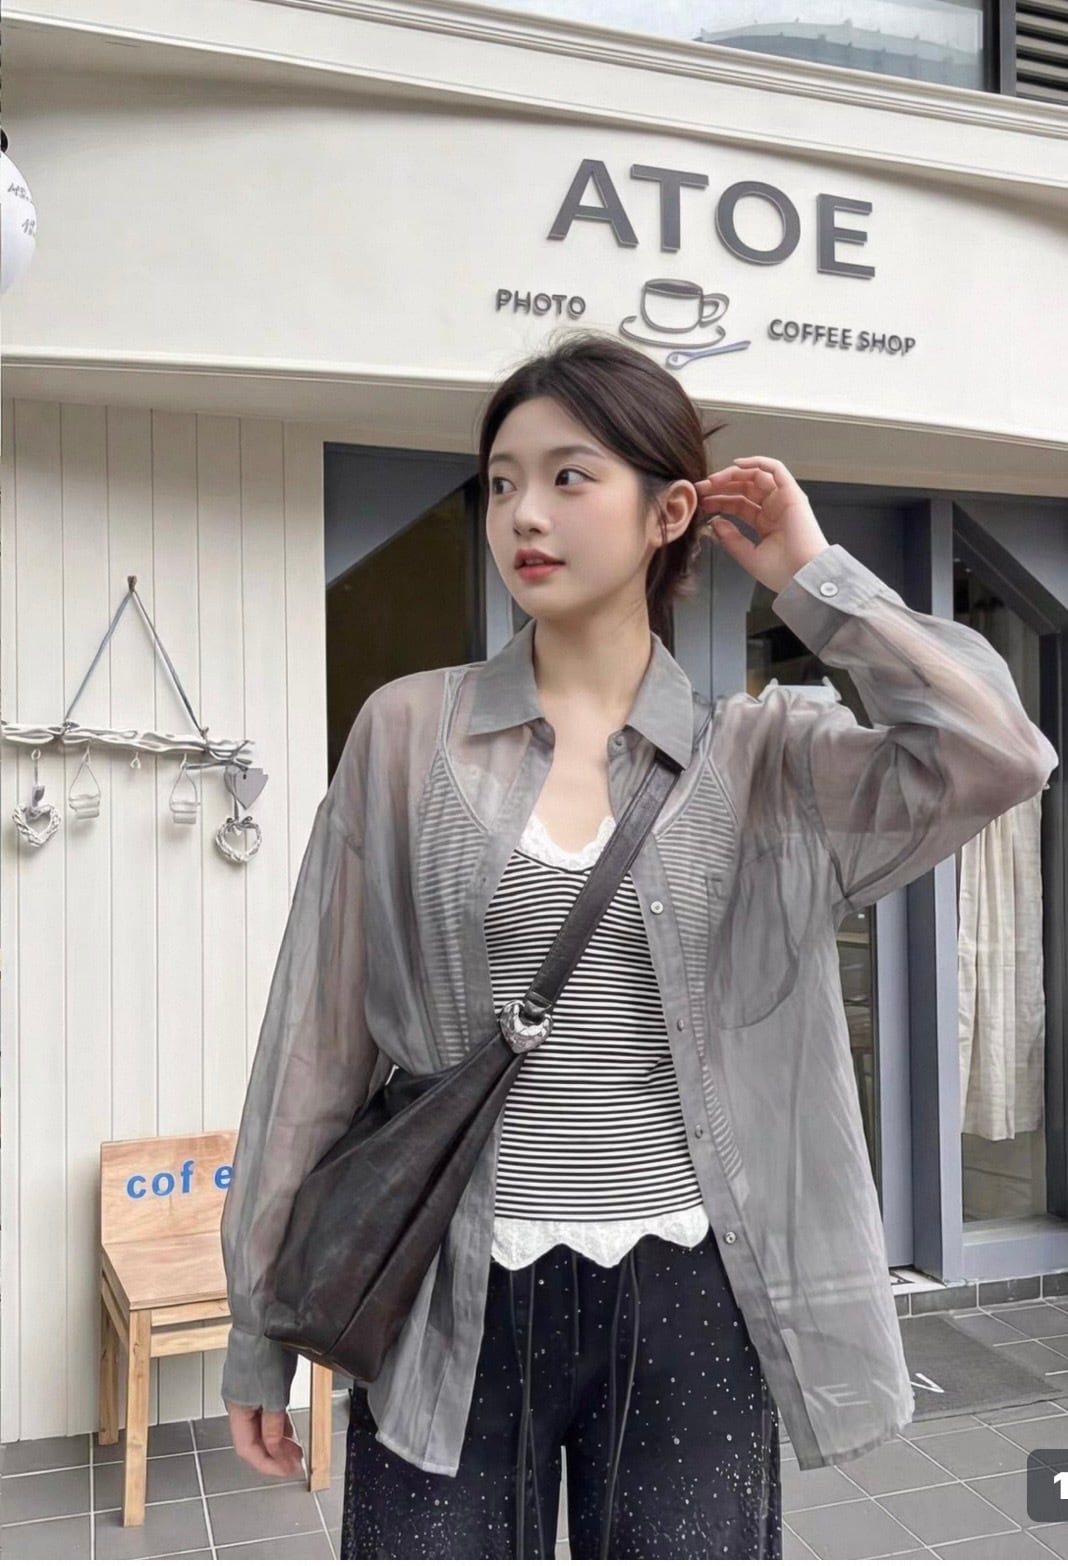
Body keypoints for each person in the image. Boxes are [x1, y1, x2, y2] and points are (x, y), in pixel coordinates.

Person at [220, 329, 1059, 1560]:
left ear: (670, 513)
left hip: (686, 1291)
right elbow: (313, 1046)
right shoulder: (405, 734)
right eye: (502, 483)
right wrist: (259, 1325)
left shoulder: (763, 756)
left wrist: (813, 576)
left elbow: (1000, 753)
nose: (524, 513)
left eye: (570, 476)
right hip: (446, 1292)